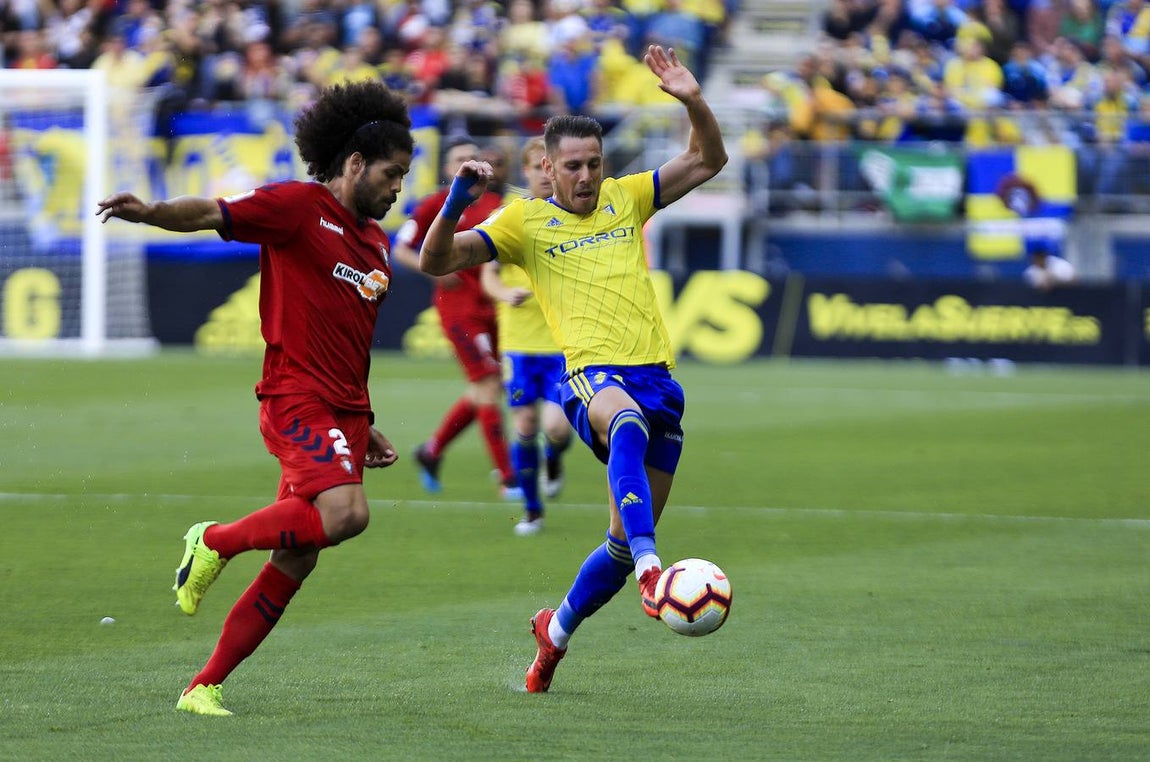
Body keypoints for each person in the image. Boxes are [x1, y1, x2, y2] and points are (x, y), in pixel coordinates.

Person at [96, 80, 413, 716]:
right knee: (346, 515)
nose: (397, 188)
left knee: (298, 557)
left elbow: (349, 341)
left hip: (346, 410)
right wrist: (152, 212)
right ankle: (213, 540)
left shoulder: (377, 243)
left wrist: (366, 419)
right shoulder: (297, 207)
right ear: (355, 164)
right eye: (391, 174)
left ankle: (202, 687)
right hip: (296, 397)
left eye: (403, 176)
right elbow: (212, 213)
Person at [417, 45, 727, 692]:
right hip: (592, 376)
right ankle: (653, 570)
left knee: (616, 545)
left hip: (659, 380)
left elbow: (708, 160)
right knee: (626, 427)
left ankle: (553, 634)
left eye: (593, 164)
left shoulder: (627, 198)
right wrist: (454, 202)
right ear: (548, 169)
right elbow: (434, 261)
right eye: (572, 167)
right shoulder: (523, 223)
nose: (585, 177)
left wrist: (693, 100)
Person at [392, 136, 519, 498]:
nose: (468, 162)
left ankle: (431, 451)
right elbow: (401, 249)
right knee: (489, 385)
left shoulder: (497, 205)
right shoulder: (434, 205)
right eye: (460, 158)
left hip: (493, 308)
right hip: (459, 311)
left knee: (483, 389)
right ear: (449, 168)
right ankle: (508, 478)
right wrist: (431, 269)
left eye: (473, 157)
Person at [480, 136, 572, 536]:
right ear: (527, 171)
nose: (545, 175)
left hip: (560, 344)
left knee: (556, 427)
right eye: (538, 167)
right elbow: (488, 275)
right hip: (518, 344)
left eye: (552, 166)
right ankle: (533, 511)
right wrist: (504, 293)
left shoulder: (574, 215)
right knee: (526, 423)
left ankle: (554, 457)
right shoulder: (508, 216)